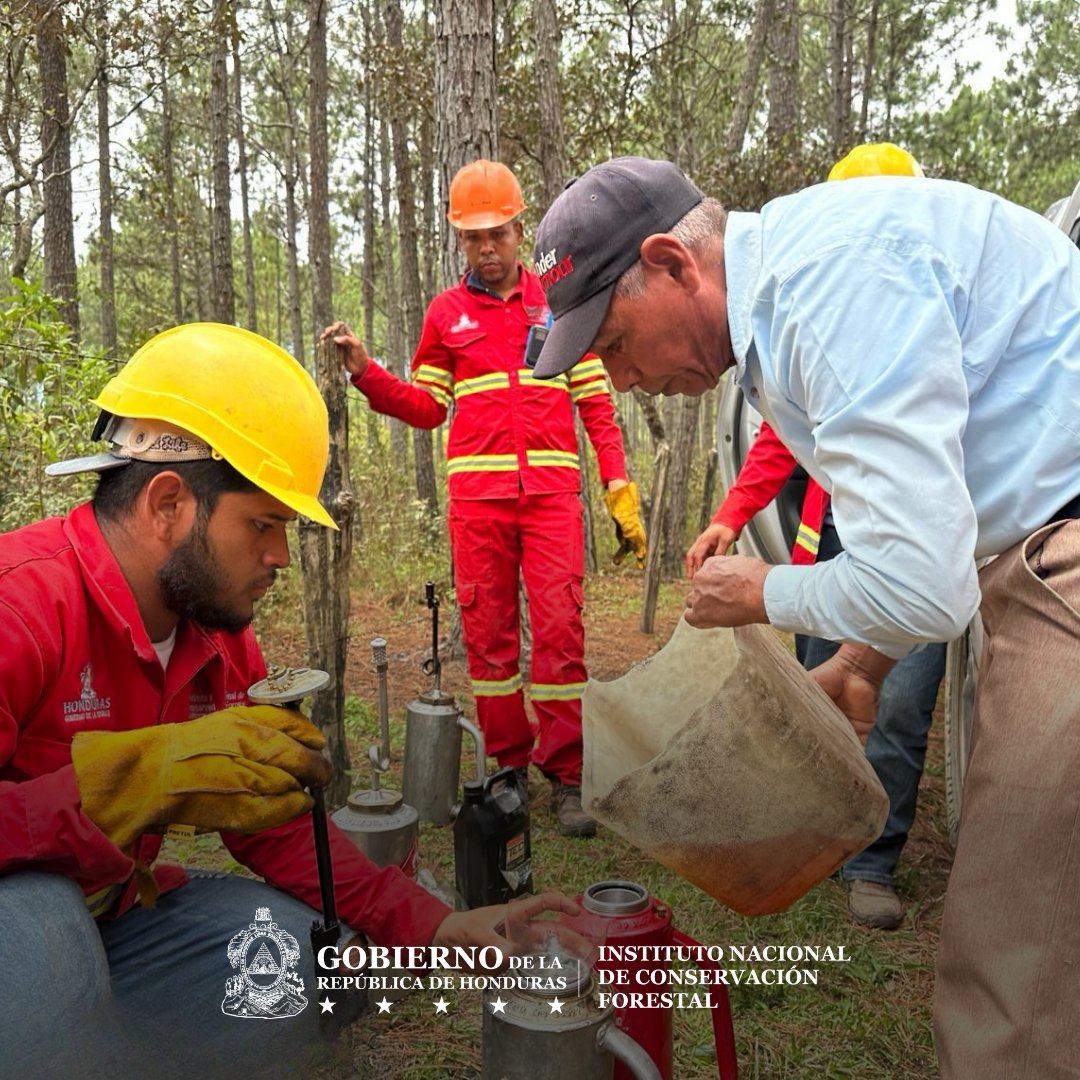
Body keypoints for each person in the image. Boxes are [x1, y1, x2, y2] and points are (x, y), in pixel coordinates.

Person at [530, 155, 1080, 1077]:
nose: (620, 378)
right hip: (1036, 545)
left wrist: (764, 591)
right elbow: (933, 534)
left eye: (615, 342)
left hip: (1065, 556)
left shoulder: (829, 292)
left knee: (1013, 966)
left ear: (672, 262)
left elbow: (927, 586)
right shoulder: (793, 298)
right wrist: (862, 663)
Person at [0, 322, 577, 1079]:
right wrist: (124, 781)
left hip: (119, 917)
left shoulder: (213, 632)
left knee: (316, 967)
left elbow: (278, 825)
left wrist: (439, 926)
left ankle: (90, 1046)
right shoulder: (22, 605)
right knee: (47, 954)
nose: (279, 555)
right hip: (29, 931)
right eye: (262, 524)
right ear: (168, 503)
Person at [322, 159, 646, 839]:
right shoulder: (447, 315)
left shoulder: (560, 301)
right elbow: (426, 407)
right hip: (478, 507)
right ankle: (508, 768)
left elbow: (595, 403)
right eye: (473, 237)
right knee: (490, 643)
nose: (486, 248)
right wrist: (366, 373)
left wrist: (617, 483)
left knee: (560, 636)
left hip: (552, 500)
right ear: (460, 240)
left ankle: (566, 776)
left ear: (519, 230)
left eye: (496, 233)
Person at [687, 143, 948, 932]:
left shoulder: (940, 326)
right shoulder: (816, 331)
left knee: (898, 701)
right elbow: (779, 439)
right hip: (828, 542)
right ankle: (813, 835)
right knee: (820, 690)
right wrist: (731, 515)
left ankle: (871, 860)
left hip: (918, 549)